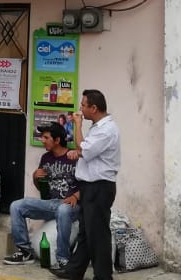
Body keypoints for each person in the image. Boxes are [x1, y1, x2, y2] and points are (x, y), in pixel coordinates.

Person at [53, 89, 120, 280]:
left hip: (99, 187)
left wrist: (77, 125)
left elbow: (83, 148)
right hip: (90, 186)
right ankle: (74, 271)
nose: (80, 108)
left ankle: (103, 276)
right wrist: (79, 151)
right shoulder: (98, 127)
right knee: (86, 232)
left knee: (97, 234)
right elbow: (84, 150)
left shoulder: (106, 130)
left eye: (83, 105)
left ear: (94, 107)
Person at [5, 123, 79, 267]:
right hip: (50, 203)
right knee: (16, 206)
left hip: (71, 204)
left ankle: (63, 258)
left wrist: (75, 196)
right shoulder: (46, 158)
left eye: (46, 137)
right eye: (42, 137)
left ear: (57, 140)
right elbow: (41, 187)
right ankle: (25, 251)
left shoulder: (73, 156)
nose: (42, 140)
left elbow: (89, 184)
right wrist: (35, 177)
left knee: (63, 209)